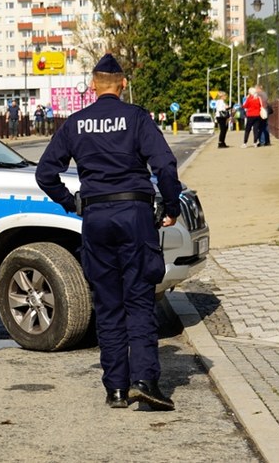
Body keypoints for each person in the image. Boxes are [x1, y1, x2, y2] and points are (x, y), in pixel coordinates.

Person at [35, 53, 182, 411]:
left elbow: (44, 174)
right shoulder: (137, 119)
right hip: (134, 215)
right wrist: (172, 205)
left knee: (109, 304)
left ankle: (115, 388)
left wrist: (71, 203)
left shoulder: (76, 123)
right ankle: (144, 381)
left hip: (96, 218)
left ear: (92, 86)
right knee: (139, 301)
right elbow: (164, 164)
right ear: (123, 85)